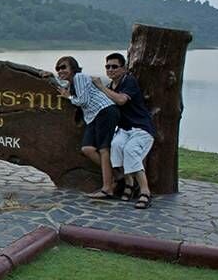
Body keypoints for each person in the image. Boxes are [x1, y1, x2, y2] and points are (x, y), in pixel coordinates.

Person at [94, 52, 156, 209]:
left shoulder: (129, 81)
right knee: (116, 147)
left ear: (124, 68)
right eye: (107, 66)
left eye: (114, 66)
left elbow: (121, 100)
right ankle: (129, 184)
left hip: (140, 129)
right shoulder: (110, 87)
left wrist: (101, 87)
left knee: (130, 150)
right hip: (124, 130)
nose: (110, 69)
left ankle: (145, 192)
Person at [53, 56, 120, 199]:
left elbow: (83, 100)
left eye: (64, 67)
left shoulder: (79, 77)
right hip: (93, 116)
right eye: (58, 69)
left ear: (73, 68)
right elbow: (62, 85)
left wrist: (68, 97)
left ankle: (108, 187)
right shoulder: (72, 83)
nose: (60, 71)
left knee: (103, 149)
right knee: (87, 149)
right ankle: (117, 175)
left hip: (105, 111)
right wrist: (47, 75)